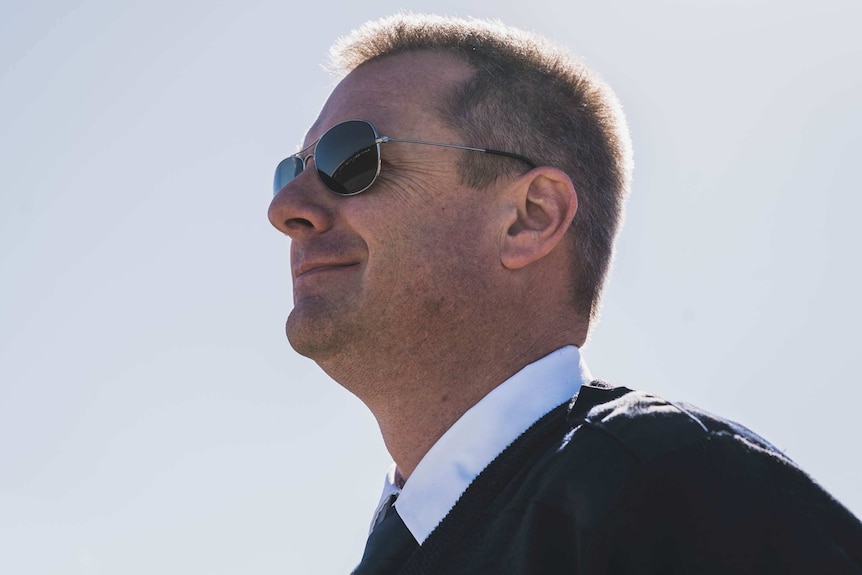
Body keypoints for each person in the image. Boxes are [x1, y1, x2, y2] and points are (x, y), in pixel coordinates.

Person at [268, 13, 862, 575]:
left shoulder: (683, 489)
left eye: (350, 158)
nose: (286, 208)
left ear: (530, 217)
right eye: (290, 170)